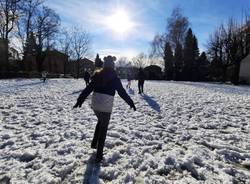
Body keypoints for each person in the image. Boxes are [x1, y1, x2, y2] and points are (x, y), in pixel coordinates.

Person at [73, 55, 136, 163]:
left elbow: (88, 88)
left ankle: (94, 143)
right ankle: (99, 155)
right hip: (106, 106)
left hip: (96, 105)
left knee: (100, 121)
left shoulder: (97, 75)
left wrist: (80, 100)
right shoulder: (115, 78)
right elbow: (122, 92)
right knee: (103, 129)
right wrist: (130, 102)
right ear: (113, 66)